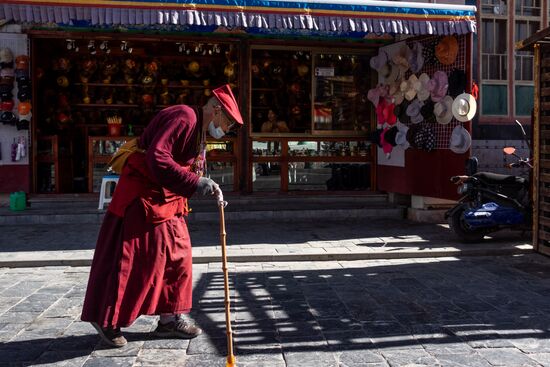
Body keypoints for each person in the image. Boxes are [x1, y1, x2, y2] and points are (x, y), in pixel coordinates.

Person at [81, 84, 244, 348]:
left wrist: (203, 182)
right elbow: (158, 157)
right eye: (227, 124)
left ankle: (170, 318)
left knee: (178, 256)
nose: (226, 131)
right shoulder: (184, 117)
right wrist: (194, 183)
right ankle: (107, 318)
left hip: (167, 200)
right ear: (216, 109)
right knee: (133, 260)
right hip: (143, 197)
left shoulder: (199, 130)